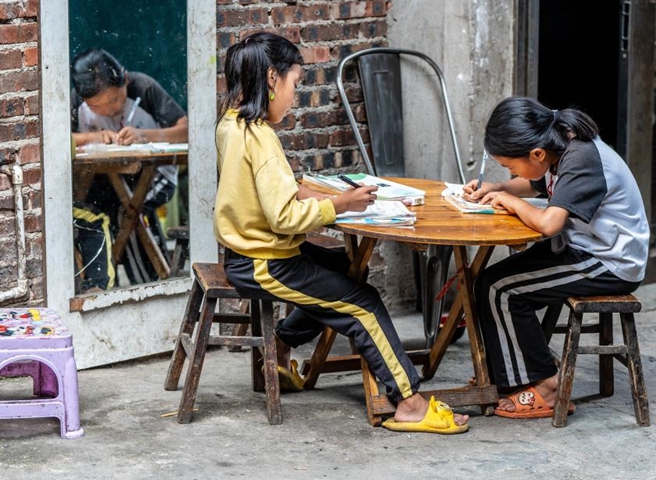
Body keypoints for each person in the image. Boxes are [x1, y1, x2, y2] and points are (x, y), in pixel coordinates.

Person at [213, 32, 468, 434]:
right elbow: (283, 219)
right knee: (362, 303)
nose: (295, 96)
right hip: (264, 262)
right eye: (295, 84)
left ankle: (280, 344)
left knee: (345, 265)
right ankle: (409, 402)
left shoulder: (233, 124)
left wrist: (319, 193)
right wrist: (341, 205)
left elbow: (268, 188)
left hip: (248, 252)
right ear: (271, 79)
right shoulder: (259, 138)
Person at [463, 96, 649, 419]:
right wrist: (498, 186)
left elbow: (549, 224)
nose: (510, 171)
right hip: (581, 244)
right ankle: (509, 374)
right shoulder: (558, 140)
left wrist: (509, 201)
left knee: (503, 291)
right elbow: (535, 182)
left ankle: (548, 383)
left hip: (610, 260)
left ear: (536, 153)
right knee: (487, 283)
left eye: (509, 165)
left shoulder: (581, 159)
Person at [69, 49, 188, 285]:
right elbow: (61, 139)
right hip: (103, 182)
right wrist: (92, 138)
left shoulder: (143, 87)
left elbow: (187, 129)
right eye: (96, 107)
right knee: (103, 212)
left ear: (125, 79)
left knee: (128, 209)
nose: (109, 110)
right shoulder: (75, 100)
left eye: (114, 100)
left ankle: (149, 284)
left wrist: (145, 135)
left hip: (156, 177)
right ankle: (142, 281)